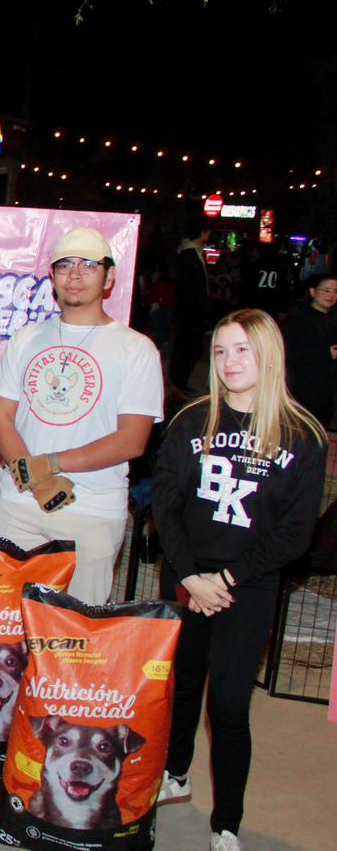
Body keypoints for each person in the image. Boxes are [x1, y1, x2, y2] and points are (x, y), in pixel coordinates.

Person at [152, 309, 326, 851]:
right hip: (186, 574)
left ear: (268, 355)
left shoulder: (305, 435)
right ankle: (175, 773)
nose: (229, 362)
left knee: (228, 705)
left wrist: (224, 578)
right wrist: (191, 576)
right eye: (221, 351)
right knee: (181, 684)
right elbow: (166, 505)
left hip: (247, 584)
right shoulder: (191, 420)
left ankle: (226, 822)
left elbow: (296, 533)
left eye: (242, 350)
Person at [0, 227, 164, 604]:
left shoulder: (136, 349)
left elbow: (132, 440)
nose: (75, 274)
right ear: (52, 276)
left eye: (88, 265)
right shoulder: (25, 338)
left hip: (92, 509)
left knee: (74, 629)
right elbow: (0, 417)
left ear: (109, 277)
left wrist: (50, 464)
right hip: (19, 503)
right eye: (65, 265)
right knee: (2, 623)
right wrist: (36, 480)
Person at [282, 273, 337, 429]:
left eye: (335, 291)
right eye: (326, 290)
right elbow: (292, 354)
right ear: (313, 292)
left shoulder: (333, 317)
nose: (331, 295)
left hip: (327, 389)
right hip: (305, 389)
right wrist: (326, 354)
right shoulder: (300, 320)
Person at [170, 218, 213, 393]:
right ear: (202, 232)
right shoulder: (190, 255)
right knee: (189, 347)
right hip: (191, 311)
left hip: (190, 311)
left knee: (187, 346)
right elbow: (189, 287)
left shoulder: (191, 253)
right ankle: (179, 382)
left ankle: (179, 381)